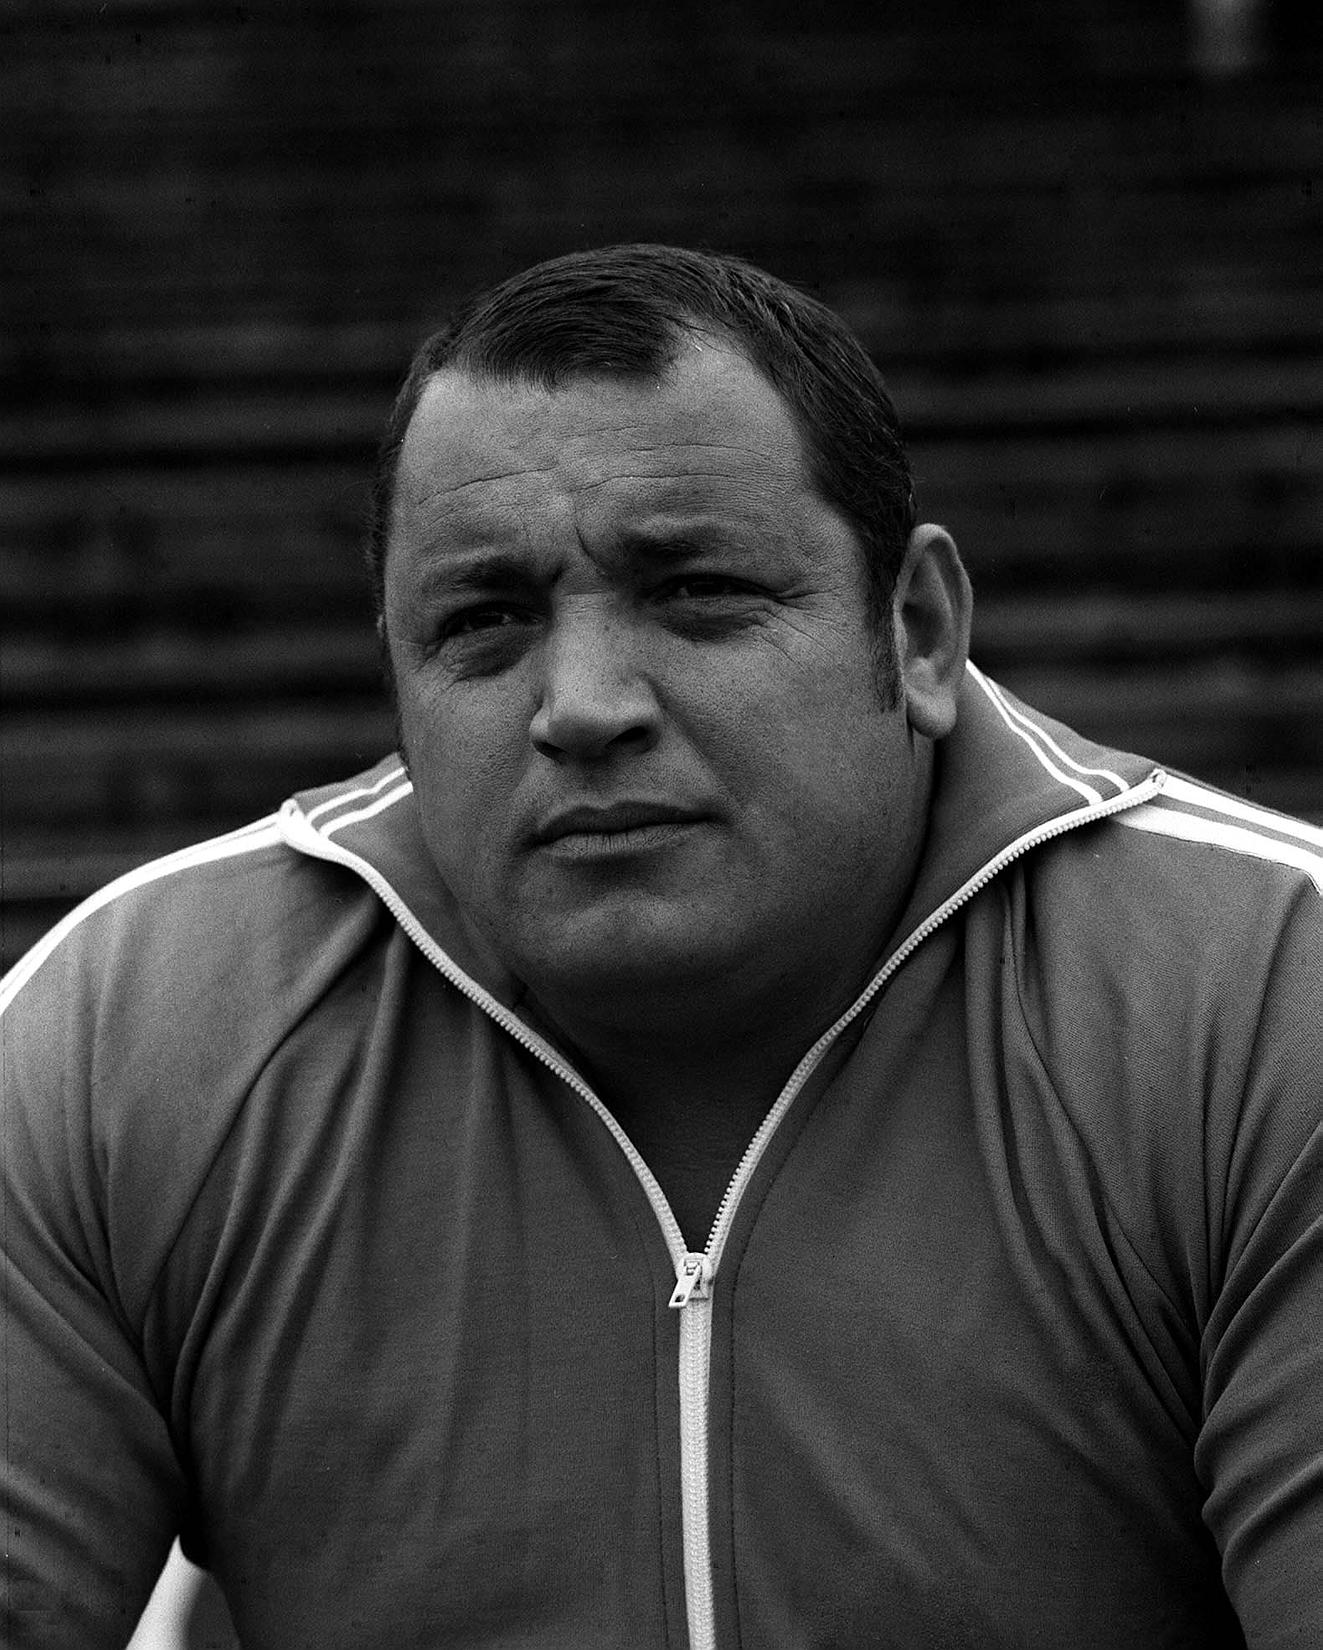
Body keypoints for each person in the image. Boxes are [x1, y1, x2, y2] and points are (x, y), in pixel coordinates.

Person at [2, 245, 1320, 1650]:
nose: (581, 705)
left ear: (918, 632)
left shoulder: (1260, 994)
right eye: (484, 620)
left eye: (695, 590)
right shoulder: (131, 1037)